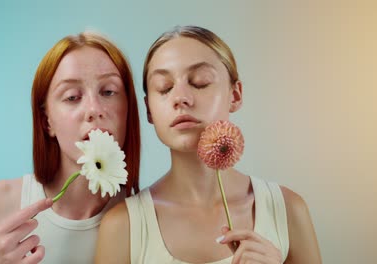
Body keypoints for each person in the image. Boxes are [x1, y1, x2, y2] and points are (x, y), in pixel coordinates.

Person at [96, 25, 321, 263]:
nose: (180, 98)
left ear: (235, 95)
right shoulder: (123, 226)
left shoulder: (287, 210)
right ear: (149, 110)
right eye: (164, 87)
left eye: (200, 82)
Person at [0, 31, 141, 264]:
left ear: (128, 111)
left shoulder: (146, 220)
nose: (94, 109)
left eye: (108, 92)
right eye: (72, 97)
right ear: (46, 121)